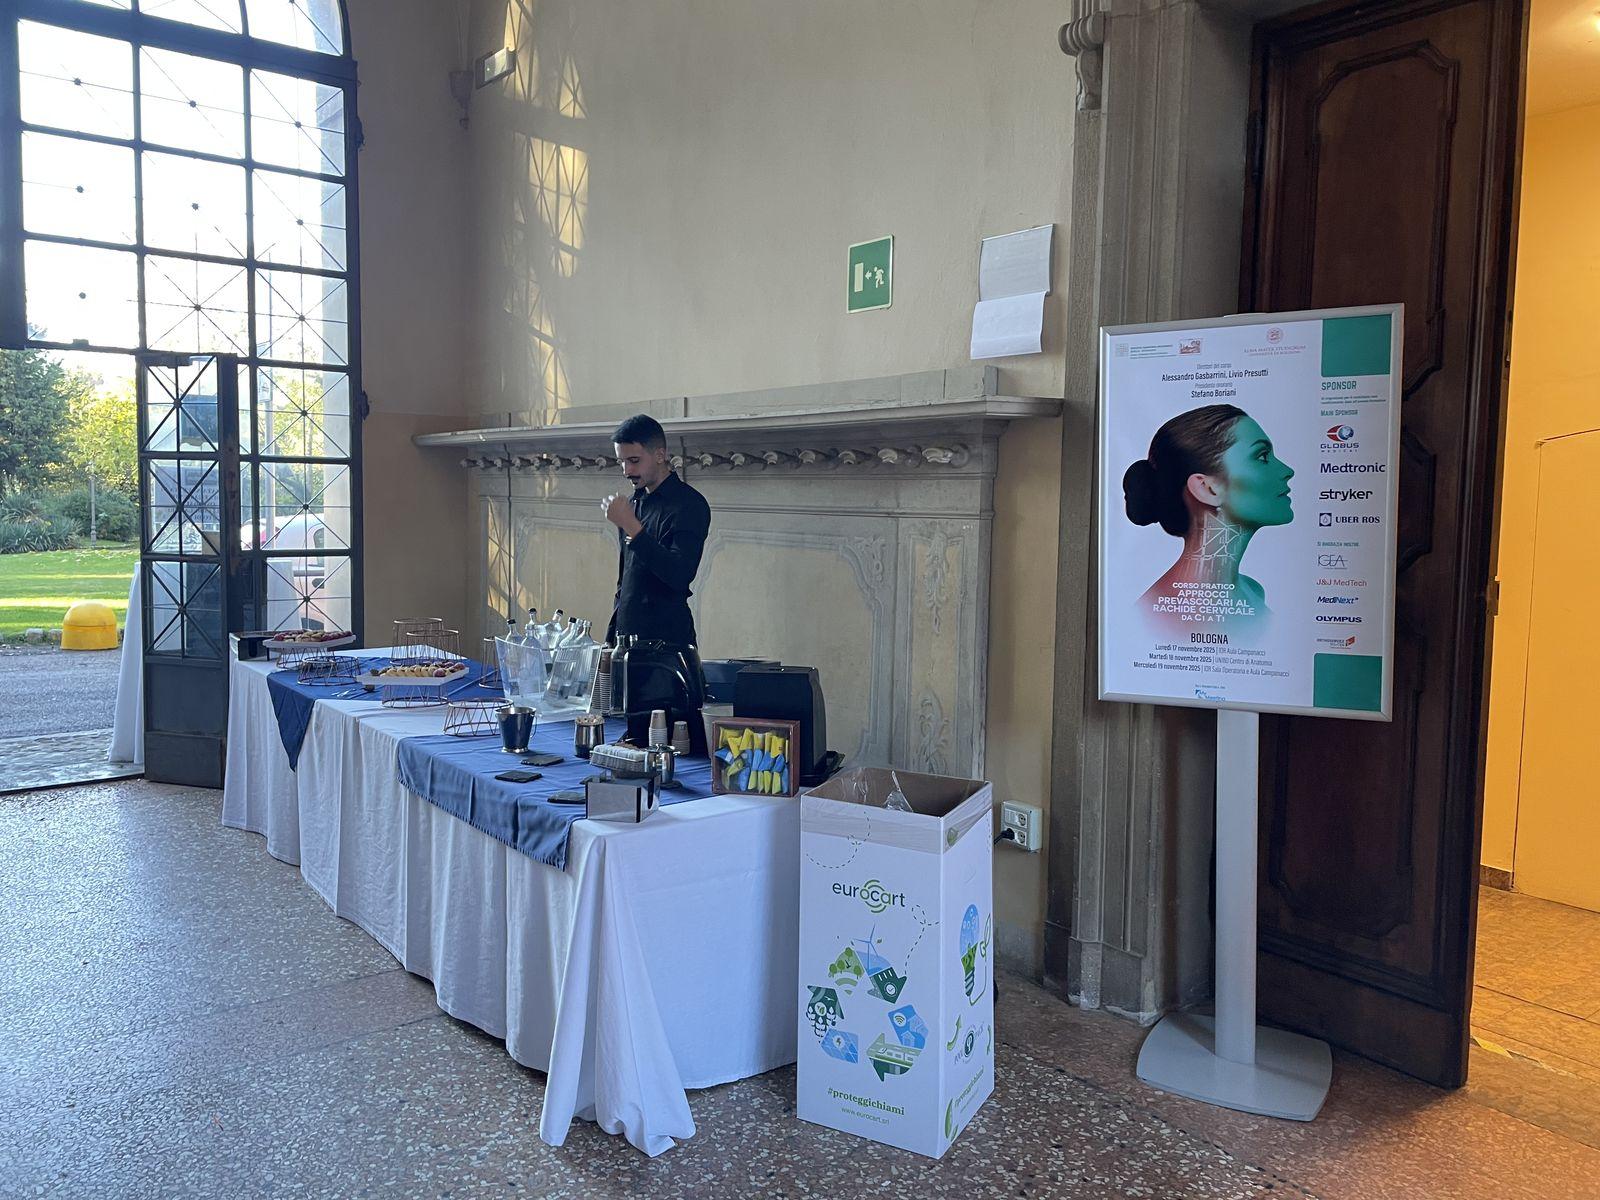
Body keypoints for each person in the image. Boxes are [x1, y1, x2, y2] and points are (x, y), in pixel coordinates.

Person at [1122, 403, 1294, 630]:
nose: (1287, 471)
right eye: (1262, 457)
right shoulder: (1160, 622)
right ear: (1208, 489)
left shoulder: (1252, 591)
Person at [601, 414, 712, 753]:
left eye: (634, 460)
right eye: (622, 462)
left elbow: (679, 574)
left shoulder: (690, 504)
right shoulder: (634, 503)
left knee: (677, 748)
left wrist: (633, 529)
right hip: (629, 644)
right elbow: (628, 579)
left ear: (660, 454)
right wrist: (611, 636)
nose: (626, 470)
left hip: (668, 646)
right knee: (632, 742)